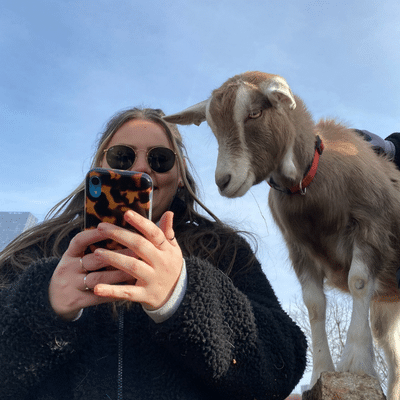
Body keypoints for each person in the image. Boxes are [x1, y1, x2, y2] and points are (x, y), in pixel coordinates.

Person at [0, 108, 307, 400]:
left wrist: (183, 295)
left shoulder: (224, 251)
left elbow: (283, 365)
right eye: (123, 157)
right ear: (100, 164)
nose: (141, 168)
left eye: (160, 159)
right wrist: (43, 306)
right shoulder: (36, 251)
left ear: (180, 172)